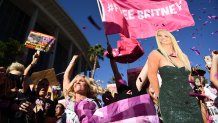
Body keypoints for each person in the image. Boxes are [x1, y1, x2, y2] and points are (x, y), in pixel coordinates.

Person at [147, 29, 203, 122]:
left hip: (190, 99)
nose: (162, 38)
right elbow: (152, 75)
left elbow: (189, 78)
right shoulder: (155, 54)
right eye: (159, 36)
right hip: (170, 100)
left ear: (172, 38)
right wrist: (159, 97)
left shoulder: (183, 56)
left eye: (165, 35)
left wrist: (199, 81)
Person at [63, 54, 104, 123]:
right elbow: (66, 77)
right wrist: (73, 60)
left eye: (81, 81)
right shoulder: (69, 100)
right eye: (75, 82)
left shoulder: (93, 103)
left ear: (88, 87)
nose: (77, 83)